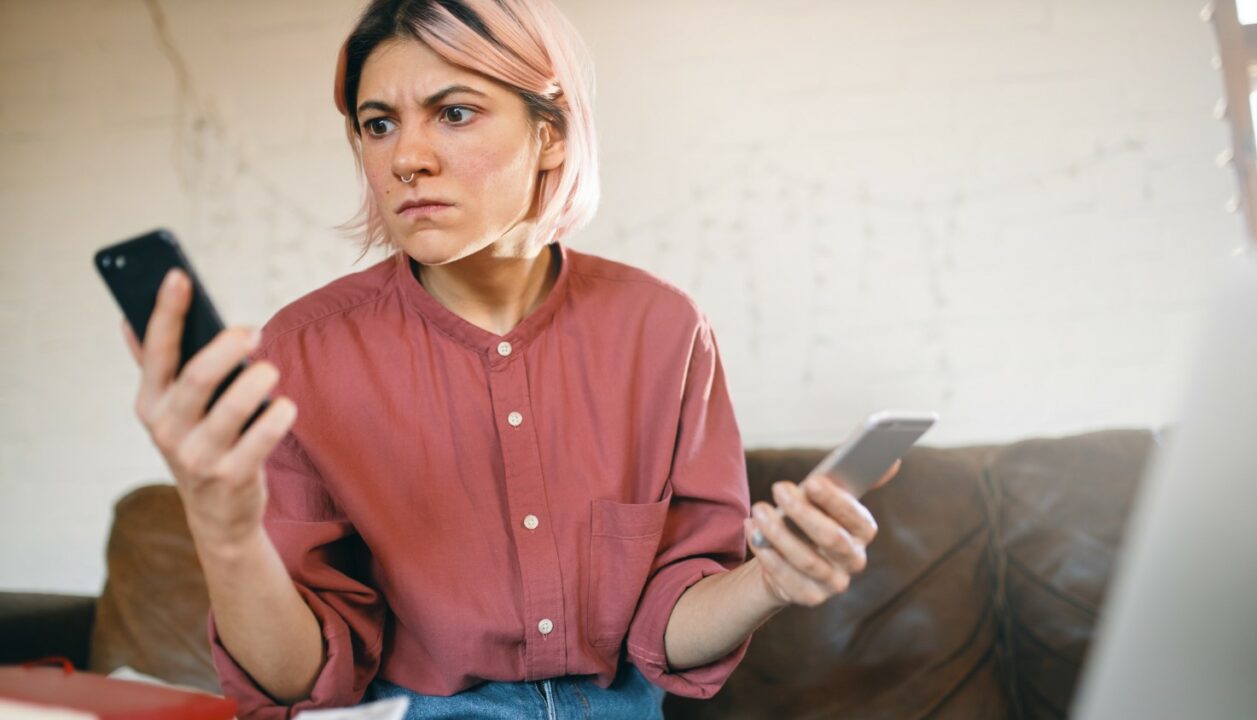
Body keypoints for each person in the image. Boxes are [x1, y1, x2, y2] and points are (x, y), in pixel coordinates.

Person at [121, 1, 895, 718]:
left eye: (454, 113)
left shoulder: (663, 329)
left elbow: (669, 625)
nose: (406, 158)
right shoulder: (303, 352)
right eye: (378, 124)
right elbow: (299, 679)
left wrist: (769, 581)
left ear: (549, 132)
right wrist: (223, 531)